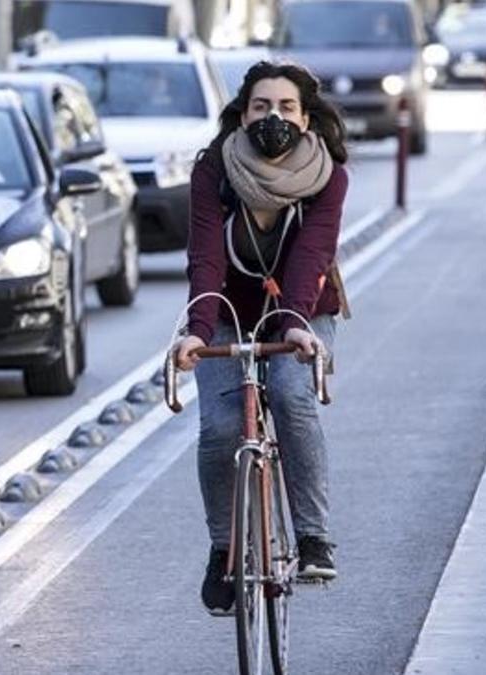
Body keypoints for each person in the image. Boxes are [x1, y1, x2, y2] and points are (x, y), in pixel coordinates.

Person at [172, 61, 350, 615]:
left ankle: (315, 537)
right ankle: (224, 549)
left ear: (306, 116)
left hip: (301, 312)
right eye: (261, 107)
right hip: (225, 312)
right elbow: (204, 257)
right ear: (241, 114)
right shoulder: (214, 172)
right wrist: (197, 332)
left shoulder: (329, 175)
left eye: (287, 107)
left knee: (295, 397)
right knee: (221, 427)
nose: (273, 117)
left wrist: (296, 323)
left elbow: (313, 255)